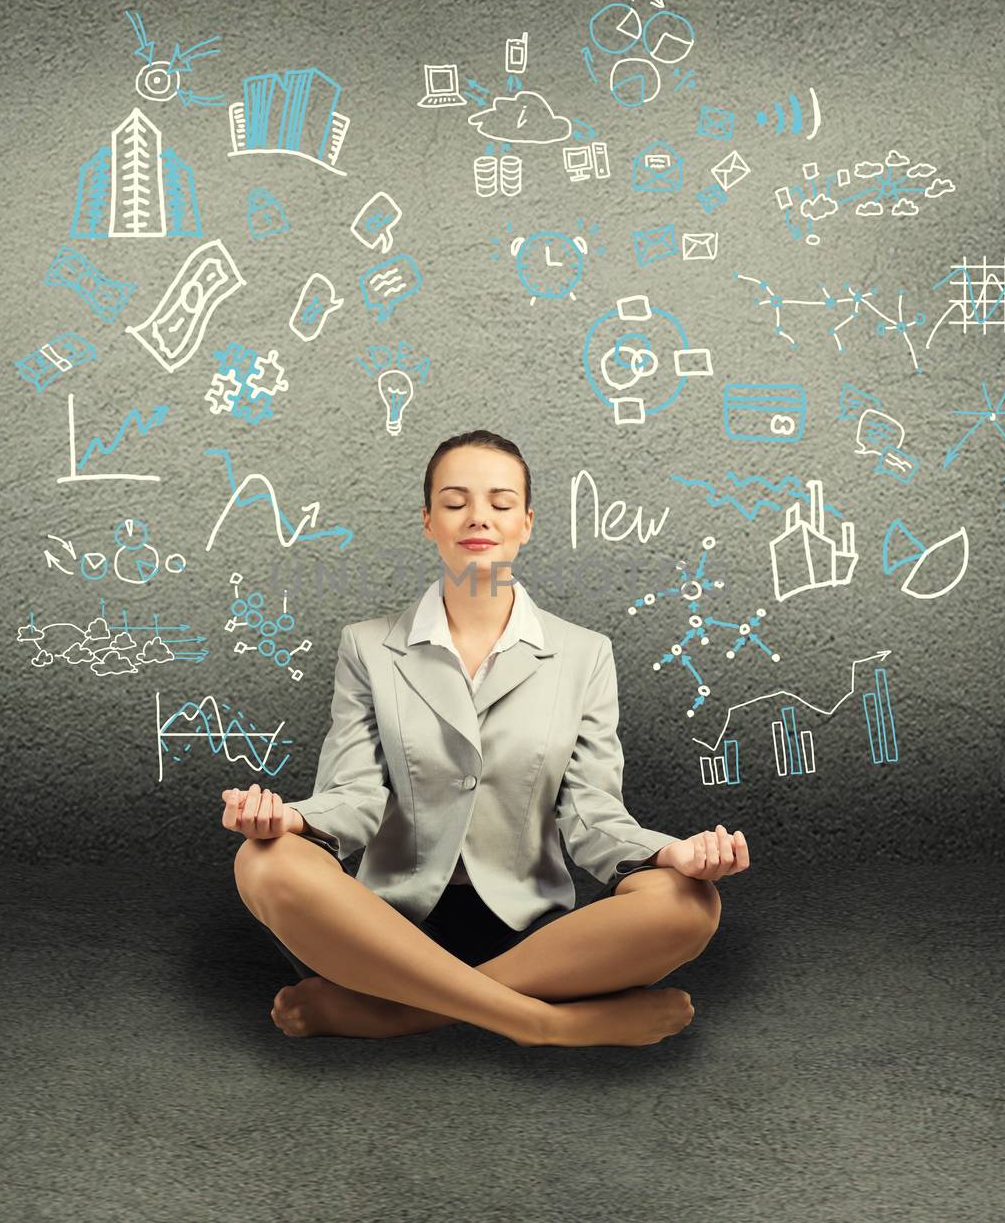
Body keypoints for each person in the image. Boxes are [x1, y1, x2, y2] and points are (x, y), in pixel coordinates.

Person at [223, 430, 748, 1047]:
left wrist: (672, 854)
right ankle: (544, 1022)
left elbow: (592, 814)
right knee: (263, 862)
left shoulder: (584, 654)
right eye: (455, 502)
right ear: (427, 521)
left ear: (527, 523)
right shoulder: (366, 646)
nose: (479, 517)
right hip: (383, 928)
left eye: (501, 503)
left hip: (531, 936)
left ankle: (395, 1012)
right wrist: (288, 820)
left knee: (689, 902)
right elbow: (353, 795)